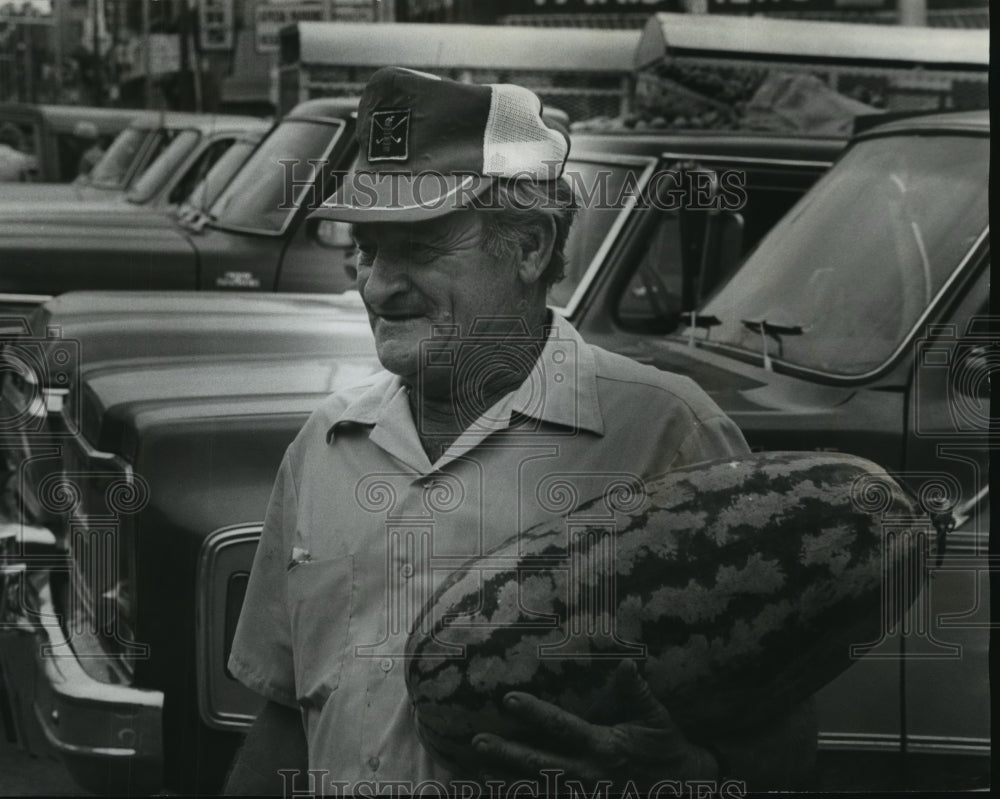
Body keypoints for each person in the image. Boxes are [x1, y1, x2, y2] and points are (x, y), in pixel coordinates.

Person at [225, 67, 816, 796]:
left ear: (530, 245)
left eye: (418, 246)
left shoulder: (667, 435)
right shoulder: (324, 444)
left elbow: (784, 744)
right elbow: (286, 715)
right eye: (370, 249)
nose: (377, 286)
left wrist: (681, 775)